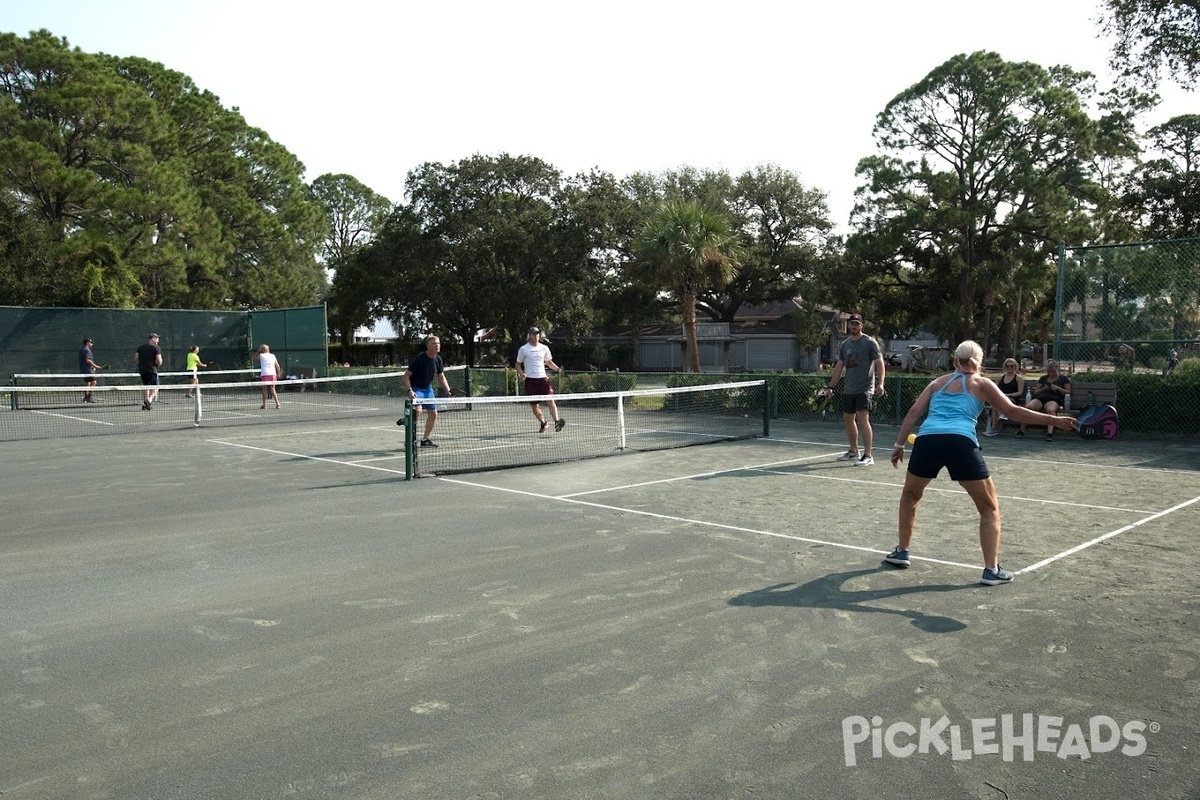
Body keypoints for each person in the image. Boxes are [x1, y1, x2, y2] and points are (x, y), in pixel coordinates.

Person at [886, 340, 1078, 585]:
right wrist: (1057, 421)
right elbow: (1013, 412)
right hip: (960, 442)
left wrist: (899, 446)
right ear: (980, 360)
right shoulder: (982, 383)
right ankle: (991, 570)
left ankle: (902, 551)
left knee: (910, 496)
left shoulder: (937, 383)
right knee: (989, 508)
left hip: (927, 441)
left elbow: (914, 412)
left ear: (955, 360)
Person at [822, 313, 886, 466]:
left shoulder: (870, 342)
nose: (854, 326)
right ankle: (853, 451)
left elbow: (880, 363)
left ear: (861, 326)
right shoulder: (845, 345)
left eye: (857, 324)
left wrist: (881, 383)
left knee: (863, 419)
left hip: (865, 388)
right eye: (852, 324)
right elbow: (839, 367)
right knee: (848, 419)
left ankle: (868, 455)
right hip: (849, 389)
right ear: (848, 326)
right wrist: (831, 387)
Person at [403, 334, 453, 448]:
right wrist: (410, 390)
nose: (437, 345)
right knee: (418, 411)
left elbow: (441, 377)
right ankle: (410, 439)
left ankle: (425, 440)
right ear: (428, 346)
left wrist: (448, 390)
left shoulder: (438, 359)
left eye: (438, 343)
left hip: (427, 389)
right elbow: (406, 376)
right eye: (434, 343)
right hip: (416, 388)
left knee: (433, 414)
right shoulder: (420, 359)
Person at [516, 326, 565, 433]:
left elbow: (548, 362)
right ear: (529, 335)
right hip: (530, 381)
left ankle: (557, 422)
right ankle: (543, 423)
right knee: (534, 406)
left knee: (550, 399)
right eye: (534, 333)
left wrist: (558, 369)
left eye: (537, 333)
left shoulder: (544, 348)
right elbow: (518, 364)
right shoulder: (523, 349)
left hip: (543, 380)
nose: (536, 335)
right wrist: (521, 374)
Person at [1020, 359, 1071, 441]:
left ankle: (1049, 433)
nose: (1051, 374)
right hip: (1041, 397)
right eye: (1049, 372)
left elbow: (1068, 391)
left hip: (1054, 398)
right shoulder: (1043, 378)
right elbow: (1036, 392)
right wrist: (1044, 389)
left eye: (1053, 371)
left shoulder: (1063, 378)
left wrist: (1058, 388)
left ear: (1057, 369)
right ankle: (1022, 430)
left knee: (1050, 410)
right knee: (1028, 407)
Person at [983, 358, 1024, 436]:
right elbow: (994, 389)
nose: (1009, 368)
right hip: (1000, 398)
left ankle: (994, 426)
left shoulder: (1018, 378)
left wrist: (1009, 395)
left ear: (1015, 367)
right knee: (995, 405)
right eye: (1007, 366)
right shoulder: (1000, 378)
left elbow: (1020, 392)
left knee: (998, 404)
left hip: (1012, 399)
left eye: (1011, 366)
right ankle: (993, 427)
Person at [134, 332, 162, 411]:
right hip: (152, 370)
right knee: (156, 387)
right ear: (152, 339)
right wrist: (157, 365)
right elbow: (159, 360)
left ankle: (145, 404)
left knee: (146, 386)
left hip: (142, 370)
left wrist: (142, 364)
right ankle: (148, 401)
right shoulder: (156, 348)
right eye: (157, 338)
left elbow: (136, 358)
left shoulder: (141, 347)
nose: (158, 340)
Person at [257, 343, 282, 409]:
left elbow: (253, 358)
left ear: (262, 350)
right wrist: (278, 373)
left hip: (265, 374)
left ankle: (264, 405)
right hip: (273, 374)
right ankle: (278, 404)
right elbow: (277, 366)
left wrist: (258, 351)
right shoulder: (273, 356)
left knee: (264, 389)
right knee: (273, 389)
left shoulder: (261, 355)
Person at [79, 337, 101, 403]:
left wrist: (92, 367)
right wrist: (96, 366)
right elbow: (88, 361)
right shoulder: (86, 350)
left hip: (86, 370)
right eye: (91, 343)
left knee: (88, 383)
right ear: (87, 343)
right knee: (94, 382)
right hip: (88, 371)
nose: (92, 344)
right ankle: (88, 397)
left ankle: (86, 397)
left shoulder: (82, 349)